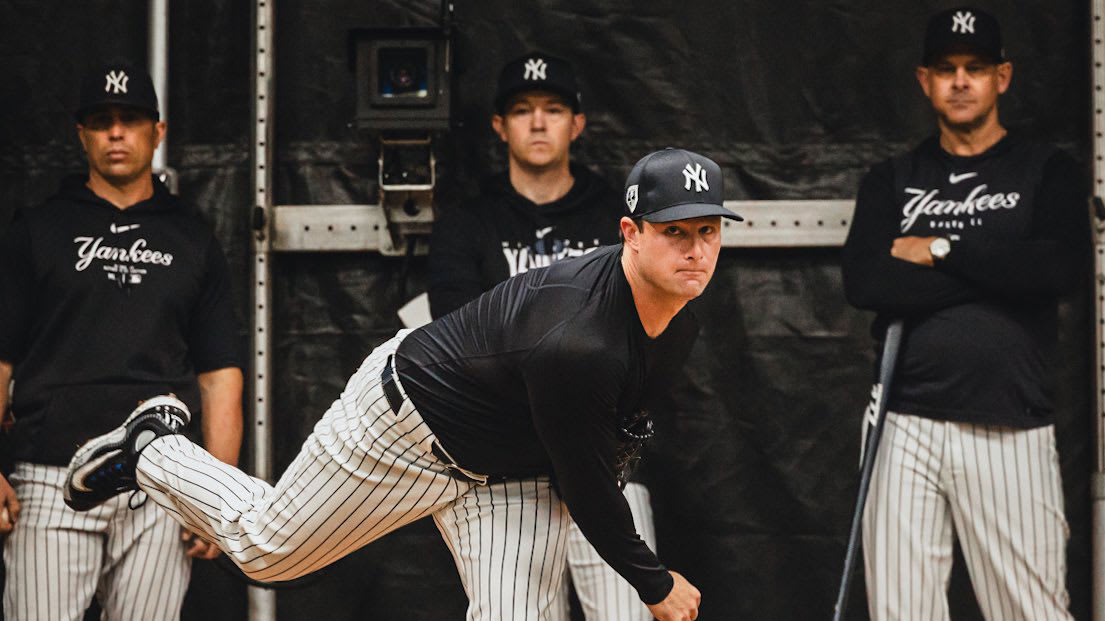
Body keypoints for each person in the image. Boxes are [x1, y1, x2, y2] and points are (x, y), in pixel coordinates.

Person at [64, 148, 742, 621]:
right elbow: (590, 485)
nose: (694, 249)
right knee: (267, 550)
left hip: (510, 466)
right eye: (673, 231)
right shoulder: (577, 338)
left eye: (707, 230)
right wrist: (654, 582)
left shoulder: (681, 294)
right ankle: (155, 446)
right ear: (629, 233)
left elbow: (612, 431)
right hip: (407, 425)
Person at [841, 8, 1086, 620]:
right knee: (901, 610)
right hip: (904, 421)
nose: (960, 81)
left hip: (1008, 420)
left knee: (1029, 610)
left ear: (1002, 76)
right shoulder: (893, 180)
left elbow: (1059, 273)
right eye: (946, 69)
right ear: (924, 80)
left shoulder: (1047, 171)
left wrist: (941, 250)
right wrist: (1002, 273)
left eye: (975, 68)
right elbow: (866, 280)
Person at [0, 61, 244, 620]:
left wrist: (216, 494)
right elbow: (1, 358)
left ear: (157, 133)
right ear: (81, 134)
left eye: (130, 120)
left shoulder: (191, 236)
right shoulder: (37, 230)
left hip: (159, 477)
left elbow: (220, 371)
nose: (116, 132)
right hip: (48, 475)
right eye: (102, 120)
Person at [429, 51, 654, 620]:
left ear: (577, 124)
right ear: (499, 125)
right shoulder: (467, 224)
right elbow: (463, 349)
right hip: (507, 471)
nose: (537, 122)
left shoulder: (616, 217)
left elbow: (642, 336)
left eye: (553, 109)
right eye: (522, 110)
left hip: (605, 460)